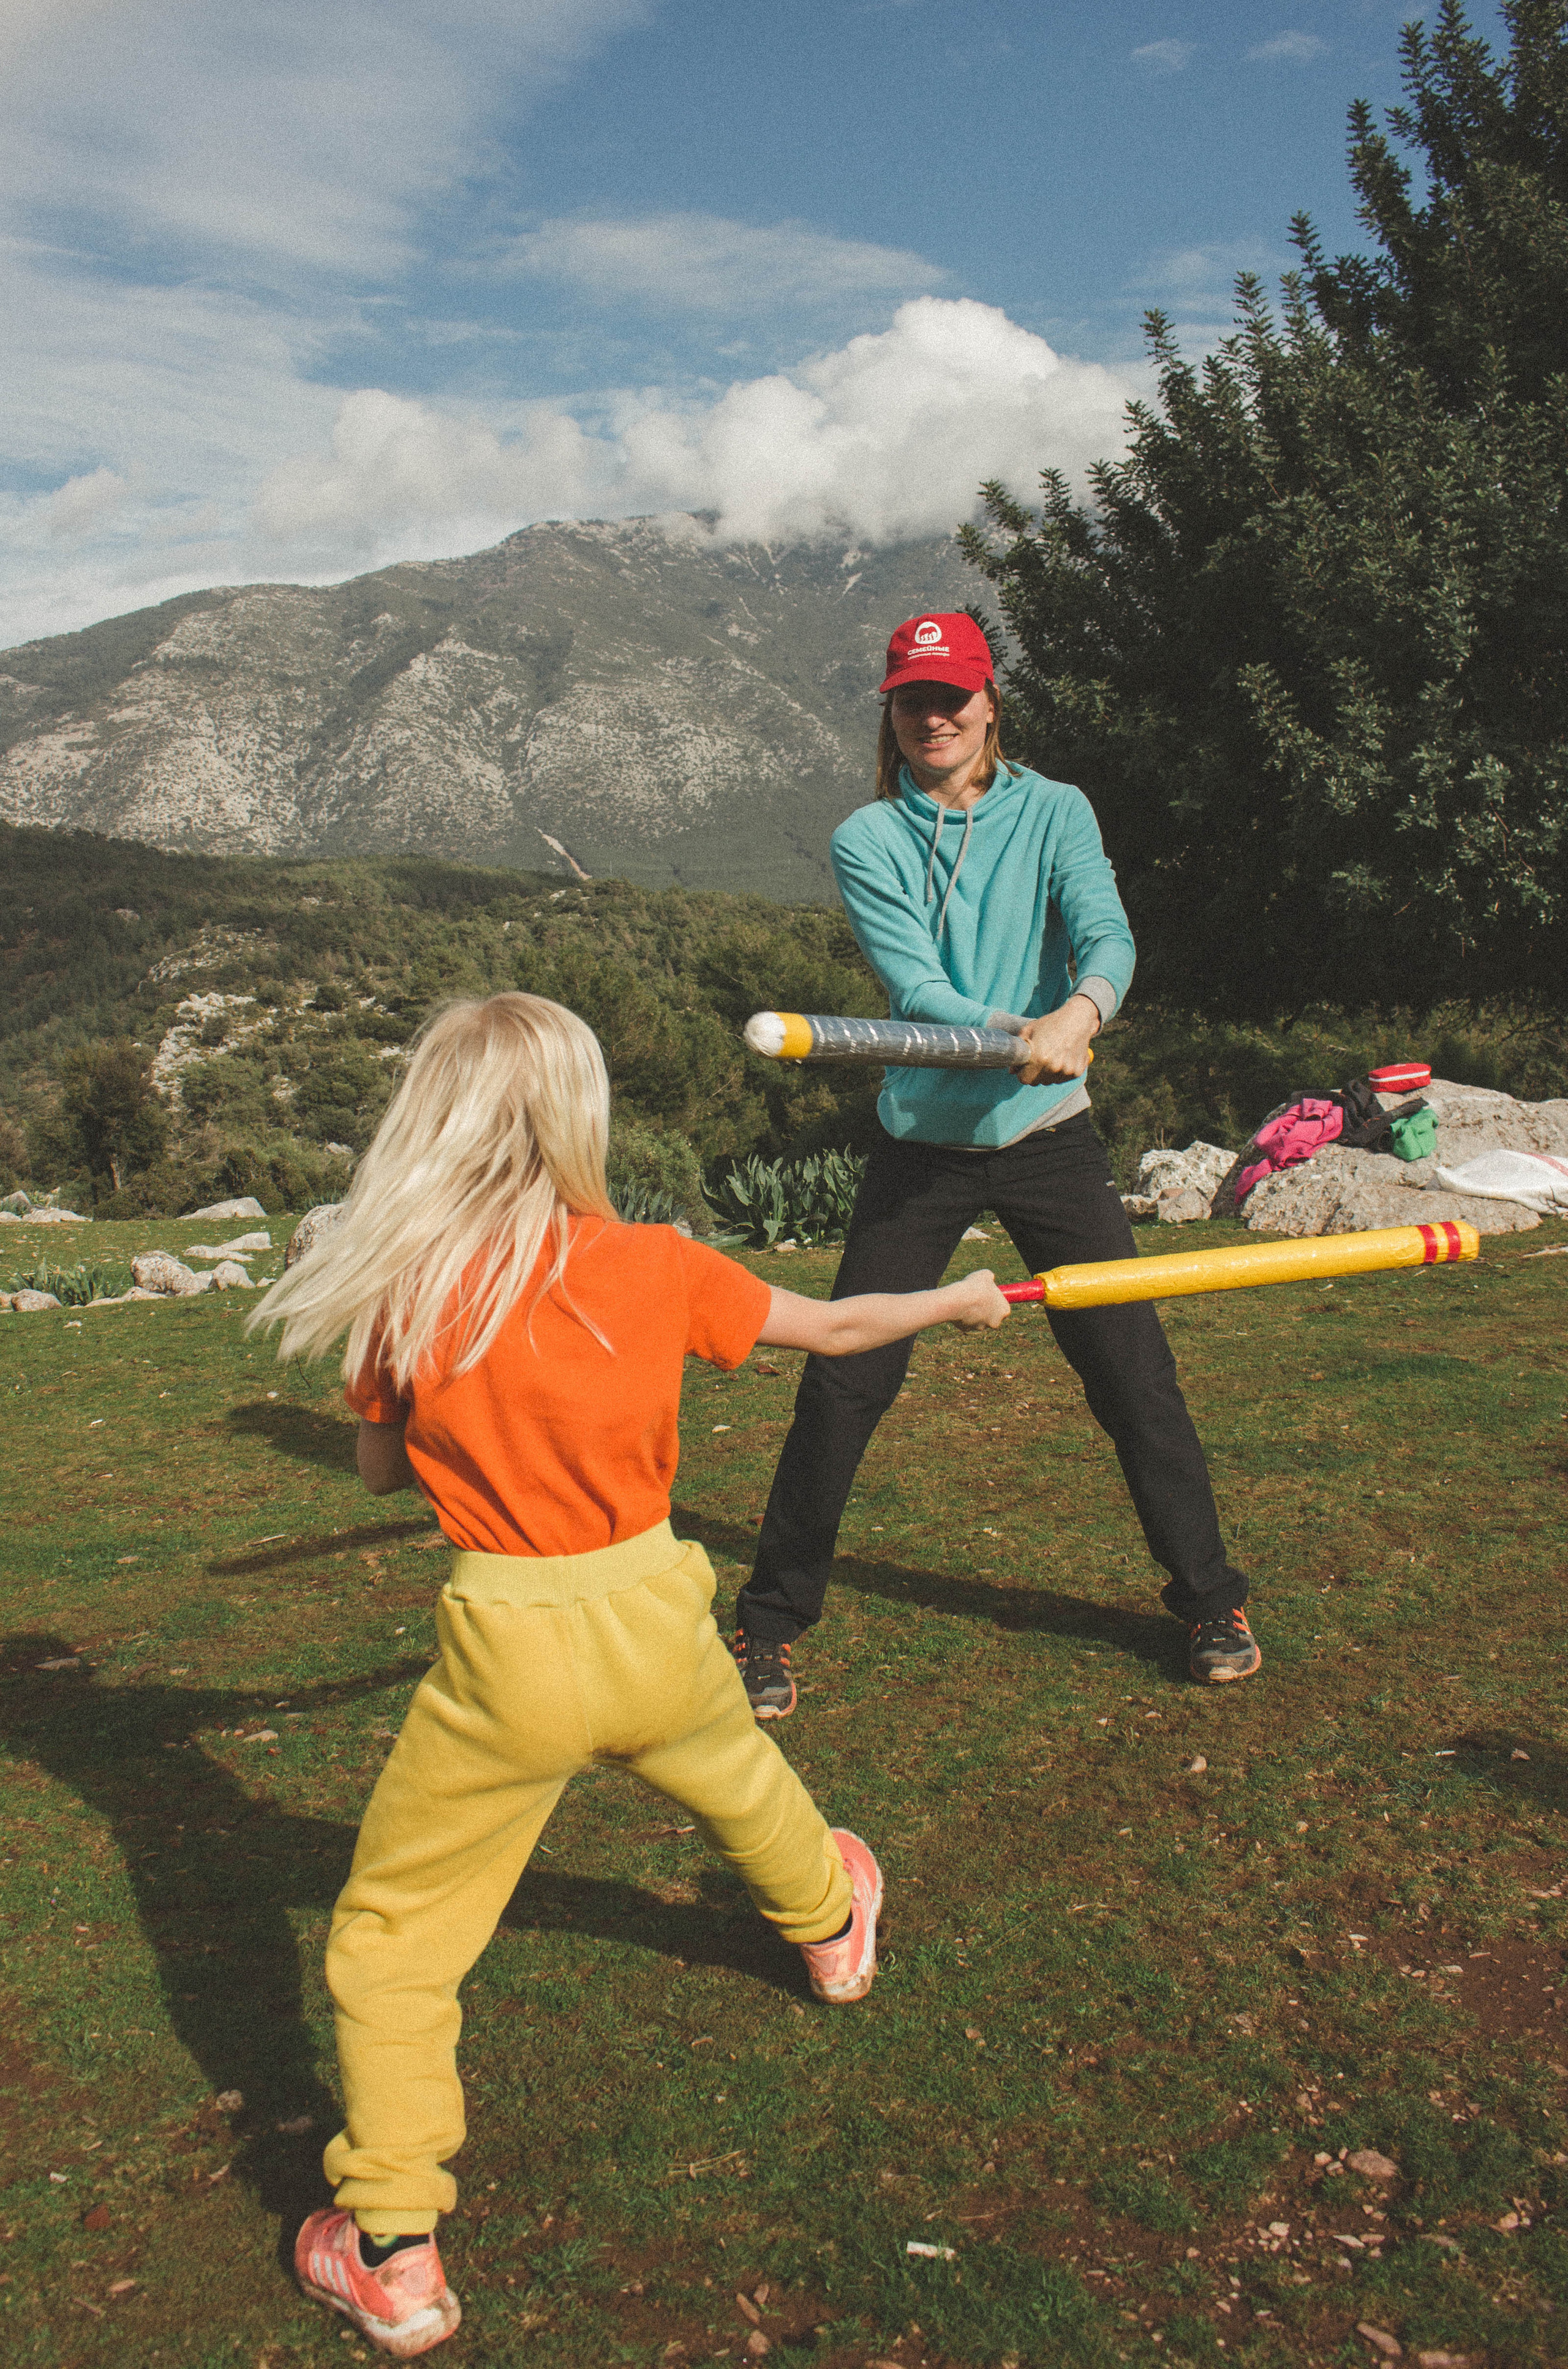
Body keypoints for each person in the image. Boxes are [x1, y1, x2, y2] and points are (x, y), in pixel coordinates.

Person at [250, 991, 1008, 2360]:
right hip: (655, 1607)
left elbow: (379, 1471)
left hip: (507, 1646)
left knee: (396, 1937)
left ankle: (391, 2250)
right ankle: (833, 1922)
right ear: (574, 1114)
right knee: (736, 1773)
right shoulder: (653, 1260)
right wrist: (955, 1298)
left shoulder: (403, 1291)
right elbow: (837, 1330)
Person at [733, 611, 1261, 1722]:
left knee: (1131, 1372)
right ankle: (770, 1623)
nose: (934, 717)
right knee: (846, 1379)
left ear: (989, 702)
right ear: (891, 710)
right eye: (912, 699)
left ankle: (1212, 1599)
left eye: (952, 696)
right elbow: (916, 987)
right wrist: (1014, 1031)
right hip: (923, 1146)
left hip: (1049, 1139)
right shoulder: (866, 839)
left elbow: (1108, 936)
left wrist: (1079, 1012)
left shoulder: (1057, 810)